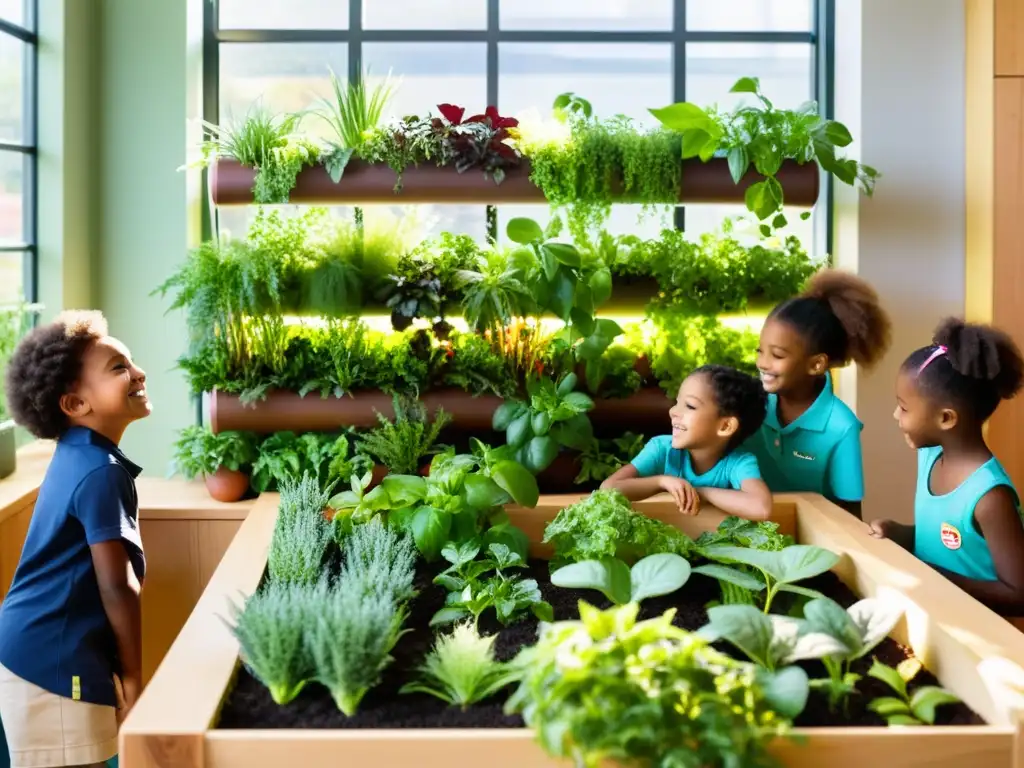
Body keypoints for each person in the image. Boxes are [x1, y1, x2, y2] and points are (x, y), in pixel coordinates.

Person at [0, 311, 150, 768]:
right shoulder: (100, 472)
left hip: (34, 650)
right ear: (74, 405)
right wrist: (134, 677)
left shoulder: (81, 457)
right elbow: (116, 586)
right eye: (118, 368)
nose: (138, 372)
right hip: (52, 661)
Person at [868, 318, 1024, 616]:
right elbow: (946, 539)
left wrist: (938, 579)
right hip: (934, 620)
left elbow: (1019, 595)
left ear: (946, 419)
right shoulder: (929, 456)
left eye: (904, 407)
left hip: (981, 641)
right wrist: (899, 533)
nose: (895, 415)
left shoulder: (989, 497)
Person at [743, 269, 892, 519]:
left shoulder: (842, 427)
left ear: (816, 365)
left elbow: (851, 512)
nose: (763, 363)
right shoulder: (747, 404)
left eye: (777, 355)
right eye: (760, 351)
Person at [601, 364, 772, 521]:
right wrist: (662, 482)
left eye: (689, 406)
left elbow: (761, 508)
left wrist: (701, 493)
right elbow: (608, 489)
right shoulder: (661, 449)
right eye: (677, 402)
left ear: (725, 426)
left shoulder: (739, 463)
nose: (673, 411)